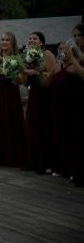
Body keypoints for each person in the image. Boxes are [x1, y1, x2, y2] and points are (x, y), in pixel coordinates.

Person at [0, 32, 27, 167]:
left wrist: (10, 70)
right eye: (2, 39)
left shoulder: (18, 58)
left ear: (12, 42)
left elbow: (21, 80)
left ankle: (12, 156)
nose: (4, 42)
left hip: (10, 96)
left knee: (11, 122)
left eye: (7, 40)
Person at [50, 40, 84, 186]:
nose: (62, 51)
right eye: (60, 49)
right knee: (61, 137)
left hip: (74, 107)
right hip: (59, 107)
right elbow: (45, 80)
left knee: (74, 139)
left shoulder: (75, 66)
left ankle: (76, 170)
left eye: (64, 49)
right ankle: (65, 168)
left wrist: (72, 59)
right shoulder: (58, 67)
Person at [22, 32, 56, 173]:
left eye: (34, 38)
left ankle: (46, 163)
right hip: (34, 94)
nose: (31, 40)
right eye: (29, 38)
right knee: (32, 127)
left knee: (44, 127)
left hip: (46, 95)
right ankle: (33, 161)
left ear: (41, 42)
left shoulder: (47, 54)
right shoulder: (28, 56)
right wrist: (23, 70)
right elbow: (25, 83)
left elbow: (51, 75)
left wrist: (35, 72)